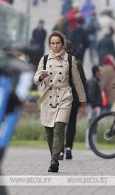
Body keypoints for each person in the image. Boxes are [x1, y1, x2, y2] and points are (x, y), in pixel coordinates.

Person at [34, 31, 87, 172]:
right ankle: (54, 155)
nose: (55, 46)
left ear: (62, 44)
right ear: (49, 45)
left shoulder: (70, 59)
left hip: (65, 95)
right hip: (48, 96)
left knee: (59, 127)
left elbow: (77, 81)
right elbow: (36, 77)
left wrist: (83, 98)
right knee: (49, 132)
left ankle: (54, 161)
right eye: (53, 43)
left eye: (58, 43)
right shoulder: (44, 59)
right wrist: (40, 77)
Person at [59, 41, 86, 160]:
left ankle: (59, 151)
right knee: (72, 123)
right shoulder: (77, 63)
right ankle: (69, 148)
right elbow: (83, 81)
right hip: (74, 98)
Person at [85, 65, 103, 149]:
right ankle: (89, 144)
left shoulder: (95, 81)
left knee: (94, 125)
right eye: (100, 71)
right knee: (91, 125)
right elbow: (90, 94)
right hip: (93, 107)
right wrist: (94, 106)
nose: (101, 73)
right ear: (96, 72)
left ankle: (93, 144)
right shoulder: (92, 81)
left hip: (94, 107)